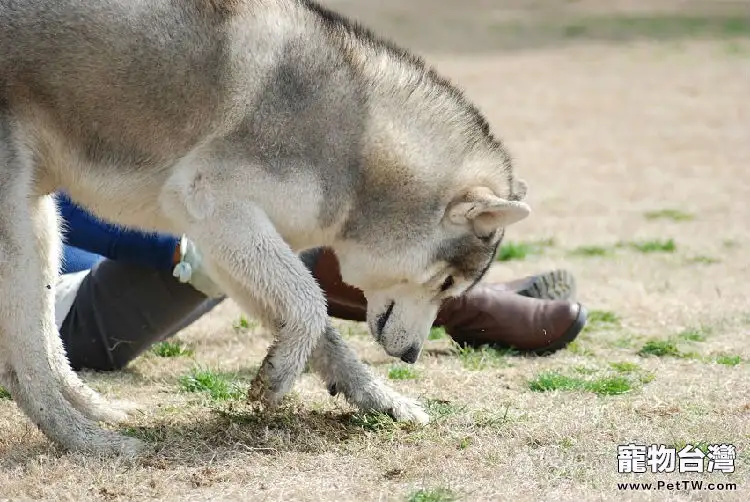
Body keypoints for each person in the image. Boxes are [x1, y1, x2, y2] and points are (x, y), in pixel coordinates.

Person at [54, 192, 588, 372]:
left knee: (258, 203)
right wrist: (173, 248)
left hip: (93, 278)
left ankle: (452, 299)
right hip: (60, 317)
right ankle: (460, 307)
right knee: (251, 224)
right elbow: (38, 194)